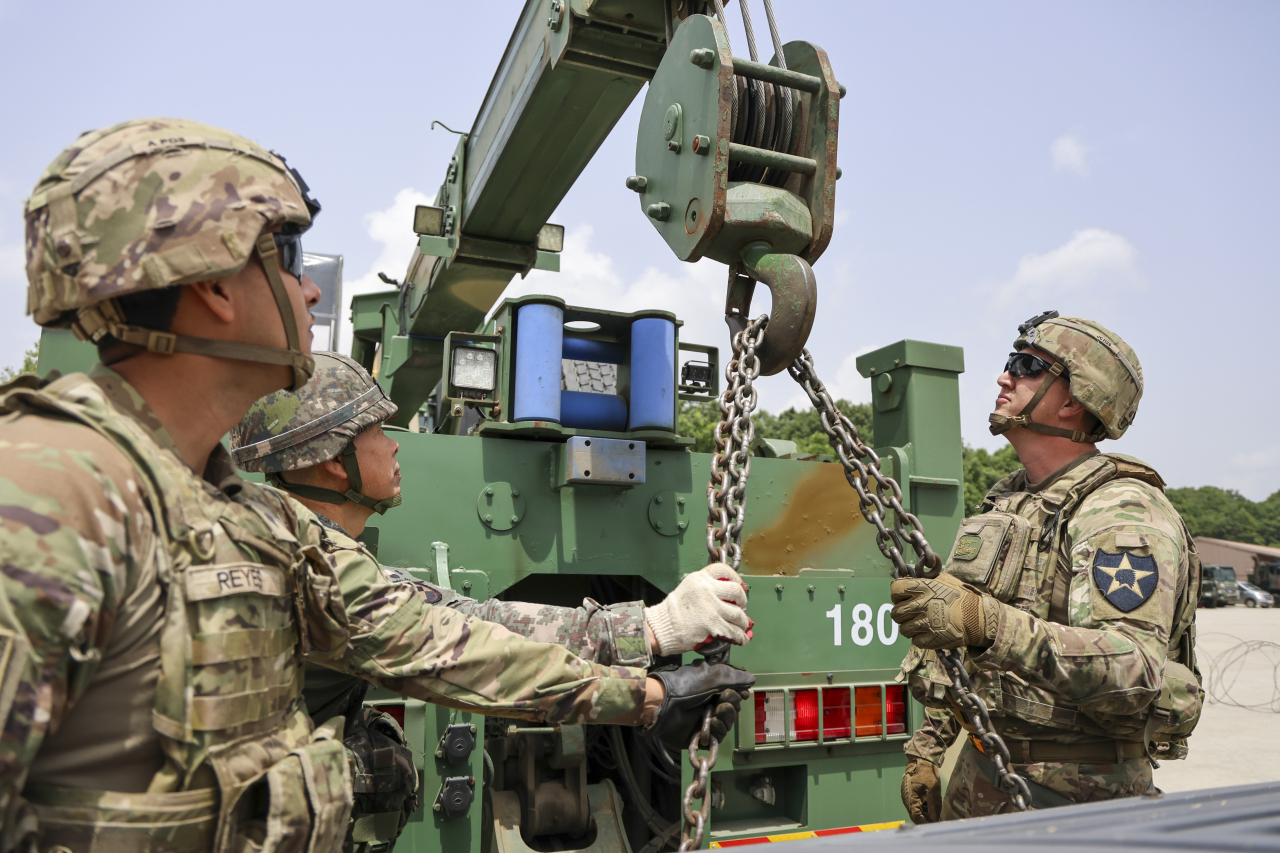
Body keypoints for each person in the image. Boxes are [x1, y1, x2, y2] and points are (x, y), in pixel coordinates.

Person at [0, 118, 753, 853]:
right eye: (287, 258)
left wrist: (648, 692)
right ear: (214, 289)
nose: (311, 294)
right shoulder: (42, 497)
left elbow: (446, 639)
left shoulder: (254, 518)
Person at [229, 350, 754, 851]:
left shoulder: (303, 542)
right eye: (373, 430)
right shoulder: (306, 564)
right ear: (333, 462)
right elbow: (468, 661)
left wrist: (656, 625)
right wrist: (652, 698)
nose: (393, 444)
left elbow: (469, 619)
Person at [892, 311, 1202, 822]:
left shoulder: (1120, 511)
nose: (1003, 376)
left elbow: (1132, 667)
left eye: (1027, 365)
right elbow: (970, 663)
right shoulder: (1014, 501)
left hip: (1077, 804)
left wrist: (985, 622)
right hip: (983, 777)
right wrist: (929, 748)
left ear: (1076, 401)